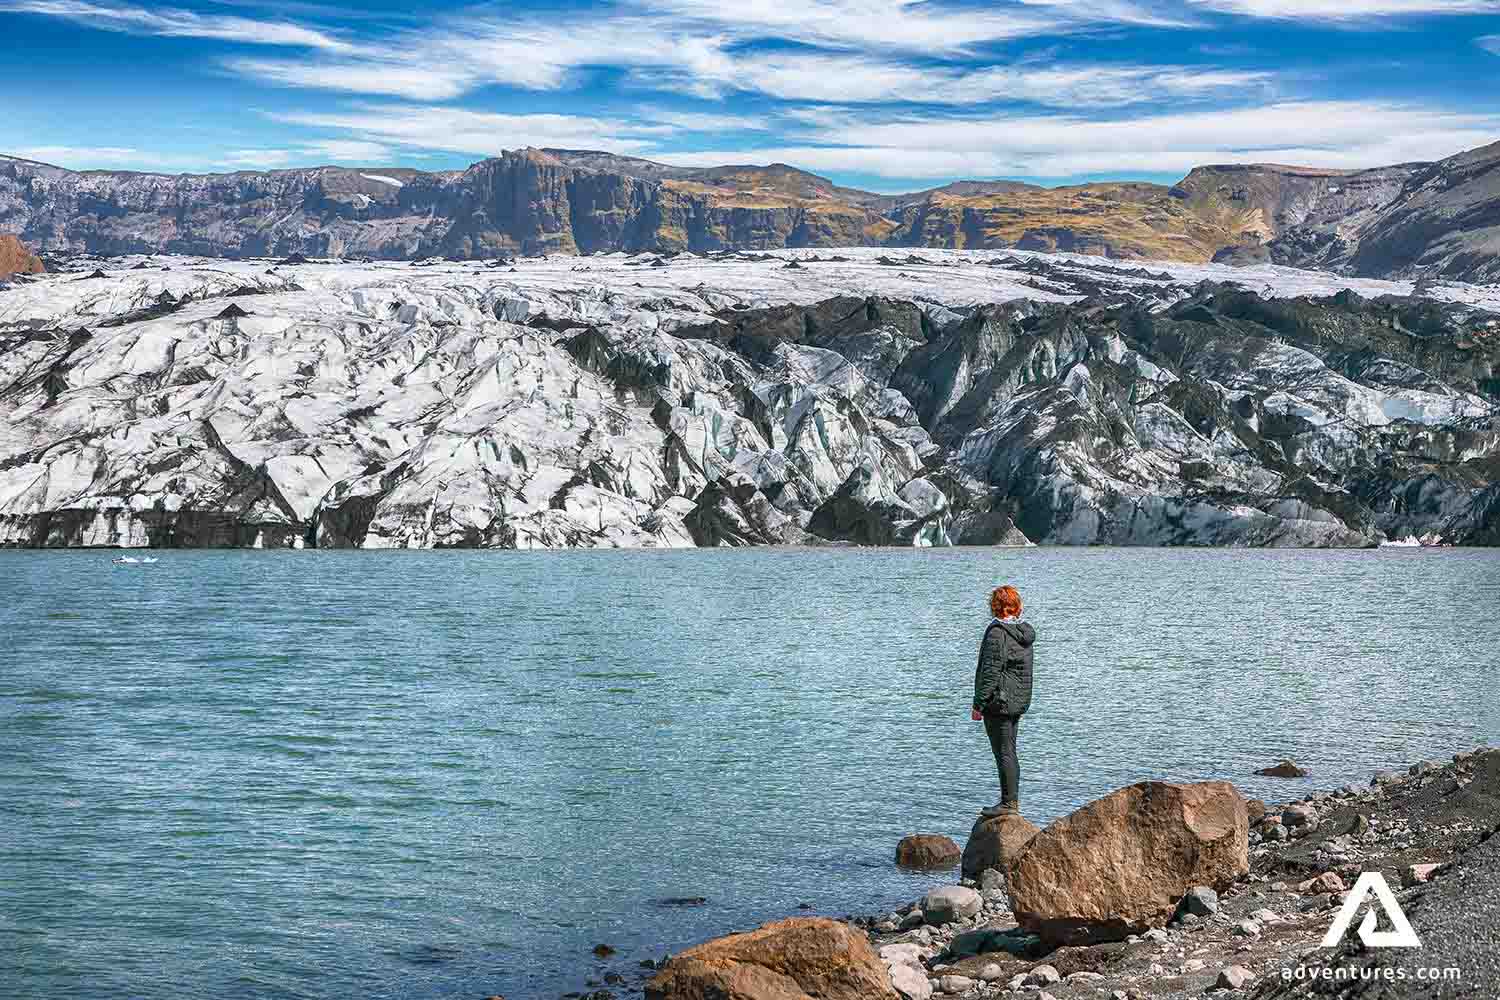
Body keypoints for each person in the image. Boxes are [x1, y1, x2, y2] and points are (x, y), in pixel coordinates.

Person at [970, 585, 1035, 817]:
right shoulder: (1023, 632)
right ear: (1017, 607)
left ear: (995, 607)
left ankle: (1009, 803)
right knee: (1009, 750)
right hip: (1016, 701)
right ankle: (1010, 801)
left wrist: (978, 704)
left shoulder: (998, 633)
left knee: (1004, 752)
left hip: (999, 702)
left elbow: (990, 672)